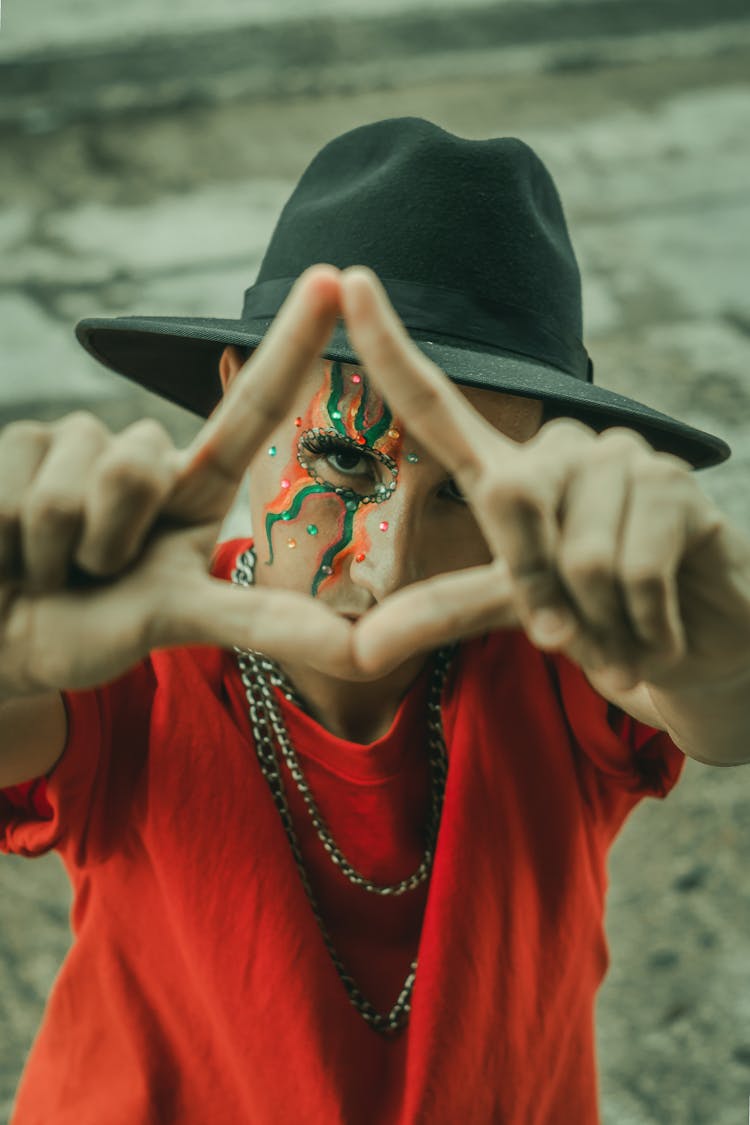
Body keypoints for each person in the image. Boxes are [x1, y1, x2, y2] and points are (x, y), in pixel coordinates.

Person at [1, 117, 748, 1124]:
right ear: (246, 409)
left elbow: (718, 710)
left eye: (464, 494)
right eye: (347, 462)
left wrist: (716, 643)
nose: (385, 565)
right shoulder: (129, 655)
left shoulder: (562, 658)